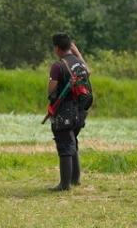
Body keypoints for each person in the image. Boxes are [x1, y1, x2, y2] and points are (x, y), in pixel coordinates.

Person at [46, 33, 91, 191]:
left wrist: (50, 85)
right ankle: (75, 179)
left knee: (65, 144)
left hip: (65, 110)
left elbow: (52, 90)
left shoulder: (58, 66)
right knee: (72, 142)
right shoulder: (79, 63)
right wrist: (77, 53)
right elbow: (88, 72)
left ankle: (64, 184)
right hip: (80, 110)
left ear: (57, 48)